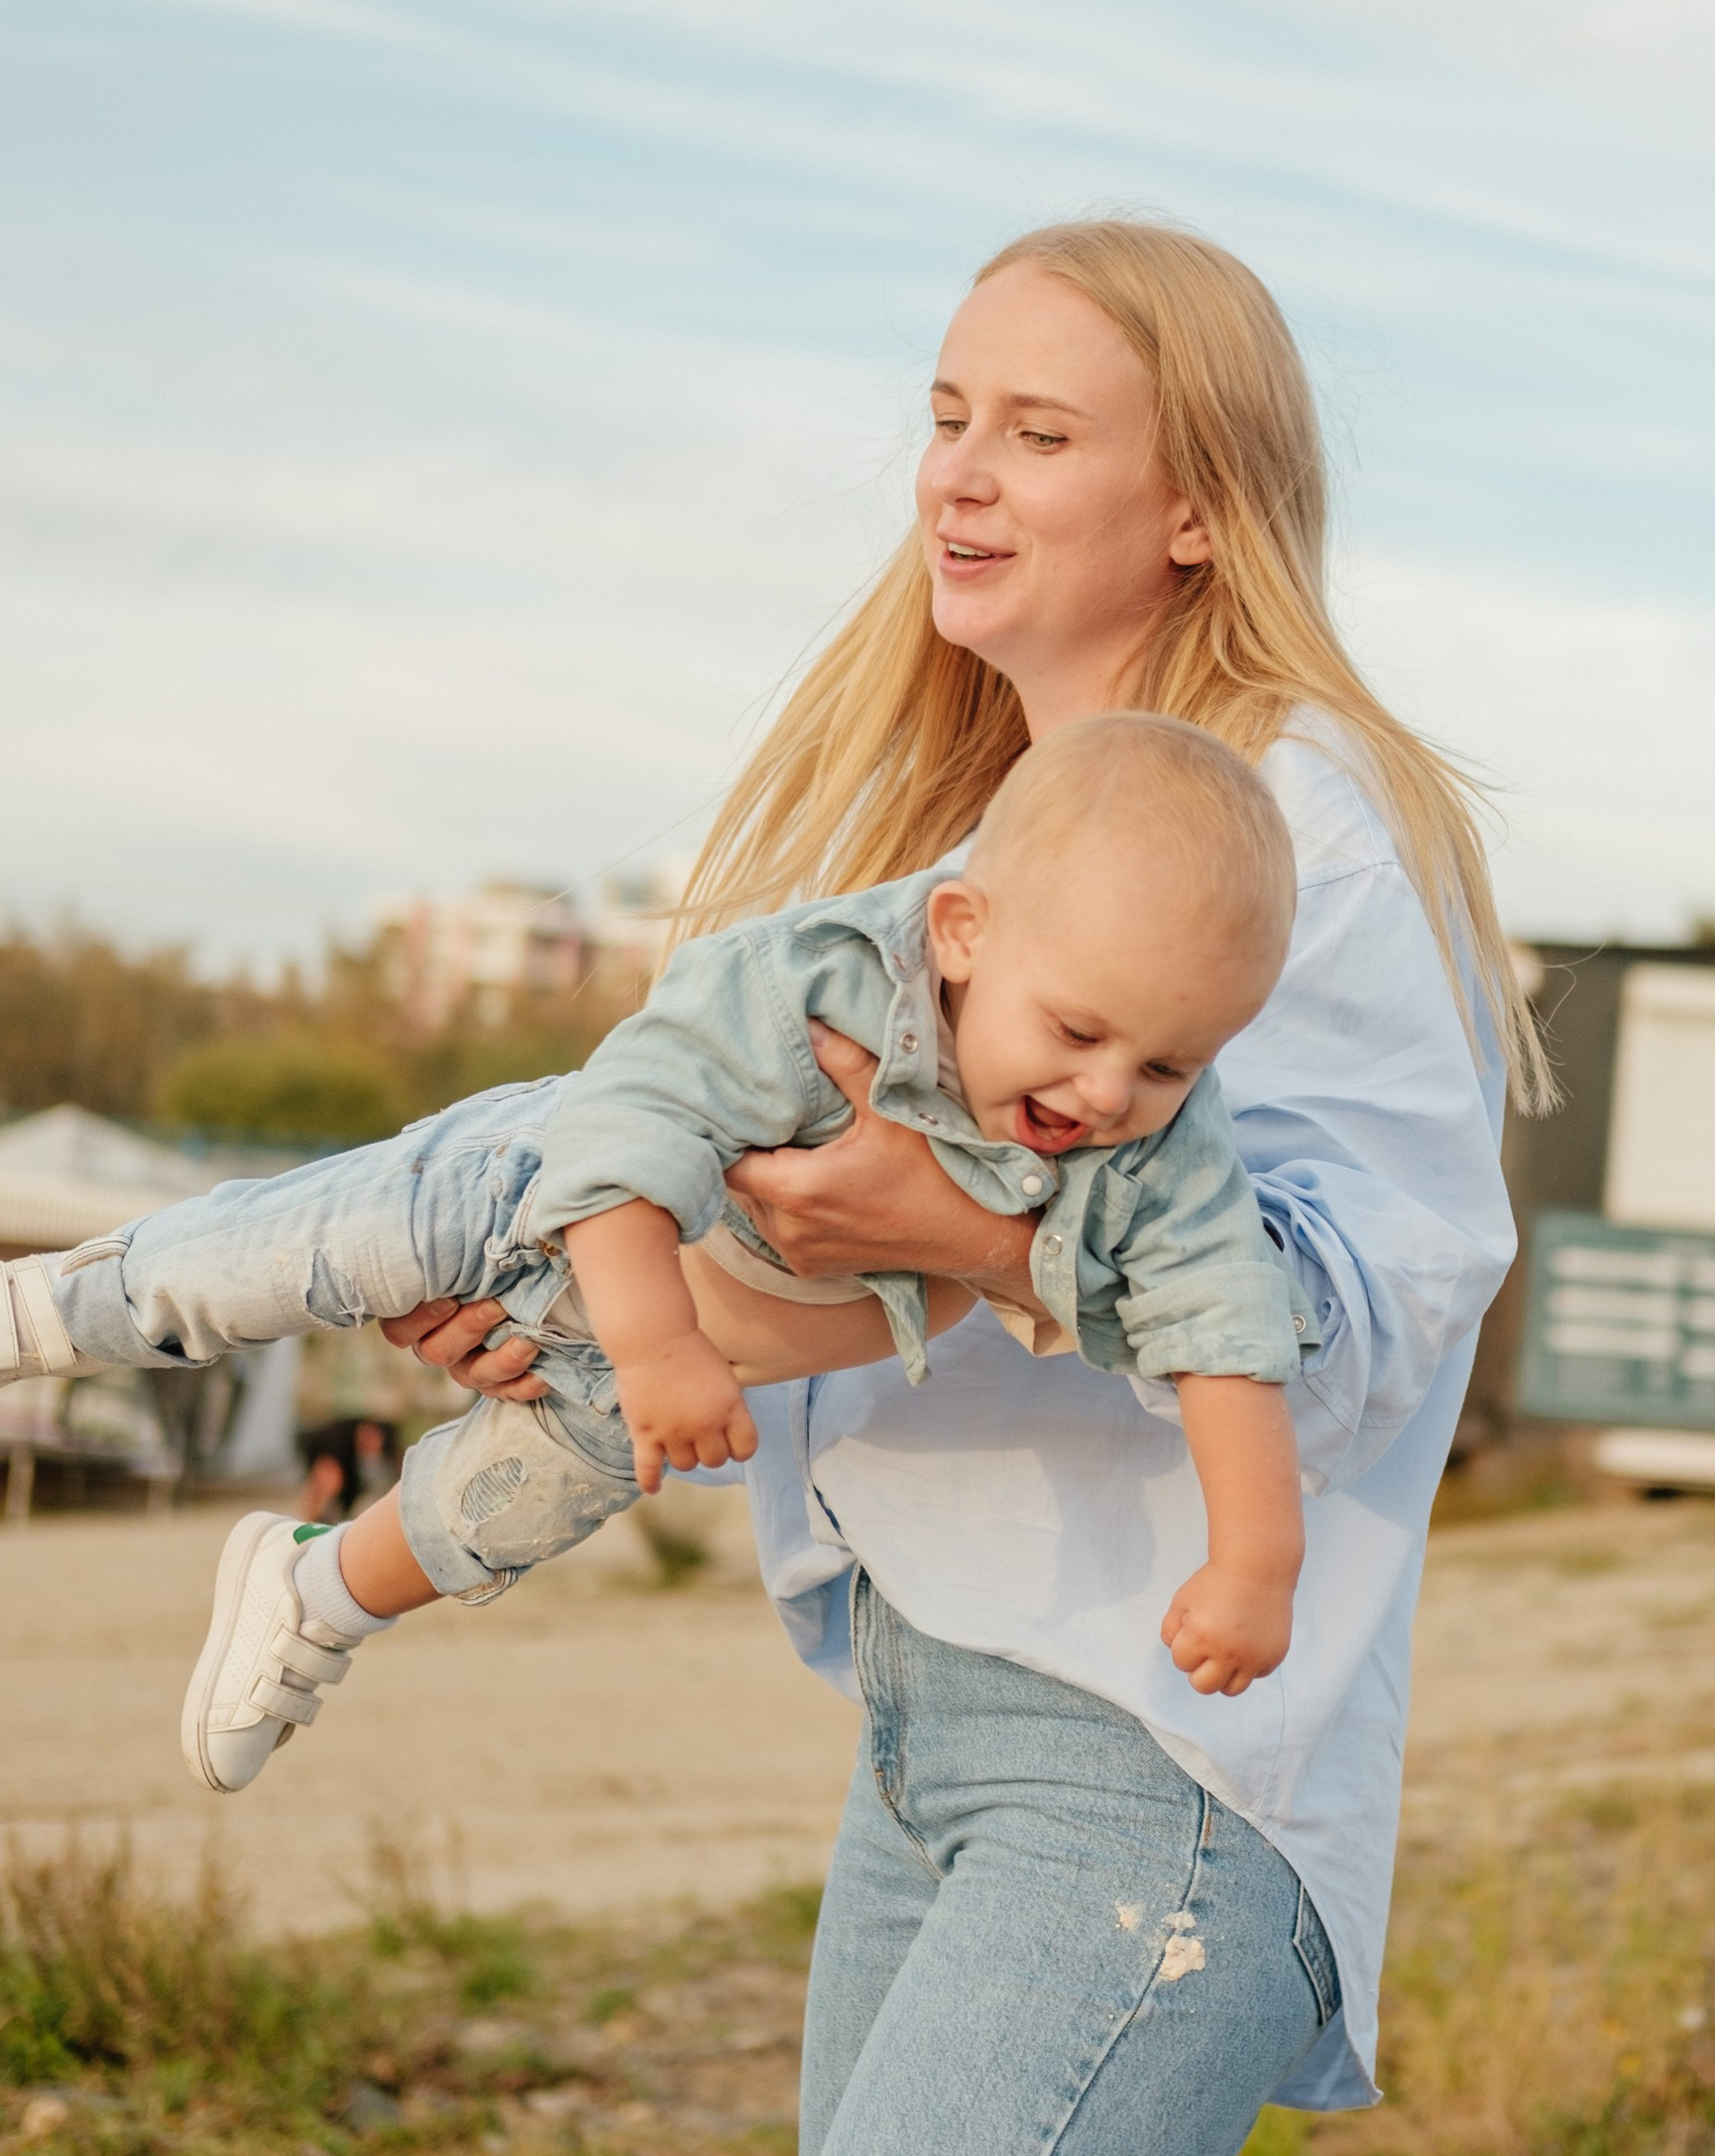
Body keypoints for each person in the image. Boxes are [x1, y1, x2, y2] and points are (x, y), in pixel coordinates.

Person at [386, 221, 1542, 2156]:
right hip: (939, 1757)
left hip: (1149, 1783)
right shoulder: (969, 848)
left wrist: (985, 1243)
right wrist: (589, 1314)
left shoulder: (1288, 837)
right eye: (945, 412)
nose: (961, 470)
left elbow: (1352, 1300)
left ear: (1200, 512)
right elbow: (852, 1297)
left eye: (1040, 427)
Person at [0, 718, 1322, 1791]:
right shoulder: (825, 980)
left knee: (496, 1519)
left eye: (1167, 1065)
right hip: (549, 1209)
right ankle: (45, 1319)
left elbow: (1229, 1330)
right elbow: (637, 1123)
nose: (1105, 1095)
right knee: (285, 1256)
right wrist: (655, 1344)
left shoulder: (1163, 1148)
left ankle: (315, 1596)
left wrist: (1257, 1559)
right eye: (1079, 1032)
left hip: (664, 1369)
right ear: (966, 933)